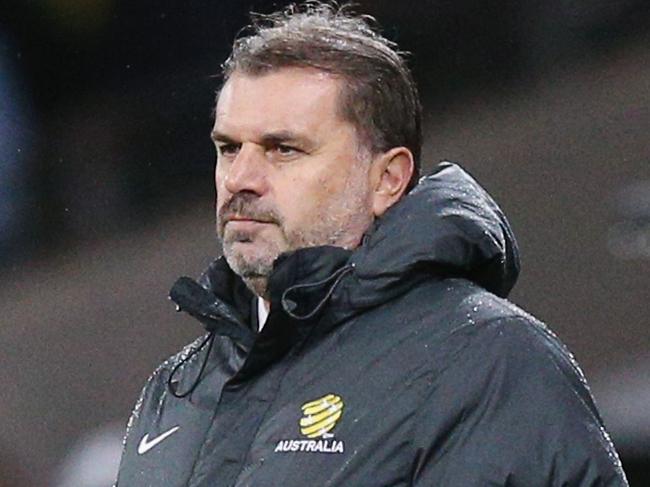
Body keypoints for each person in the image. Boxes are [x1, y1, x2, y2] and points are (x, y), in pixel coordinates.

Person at [116, 3, 627, 486]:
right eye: (229, 148)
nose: (240, 179)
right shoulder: (179, 387)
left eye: (283, 149)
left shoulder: (488, 364)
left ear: (387, 179)